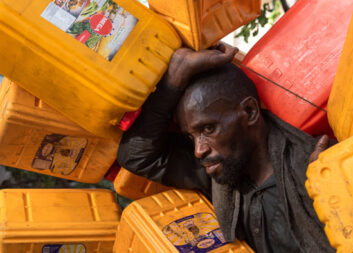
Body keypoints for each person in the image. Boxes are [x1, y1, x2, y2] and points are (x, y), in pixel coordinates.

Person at [117, 43, 334, 253]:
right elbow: (135, 156)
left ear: (249, 112)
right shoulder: (216, 175)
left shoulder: (315, 166)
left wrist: (329, 196)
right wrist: (175, 77)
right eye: (190, 137)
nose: (198, 150)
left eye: (208, 128)